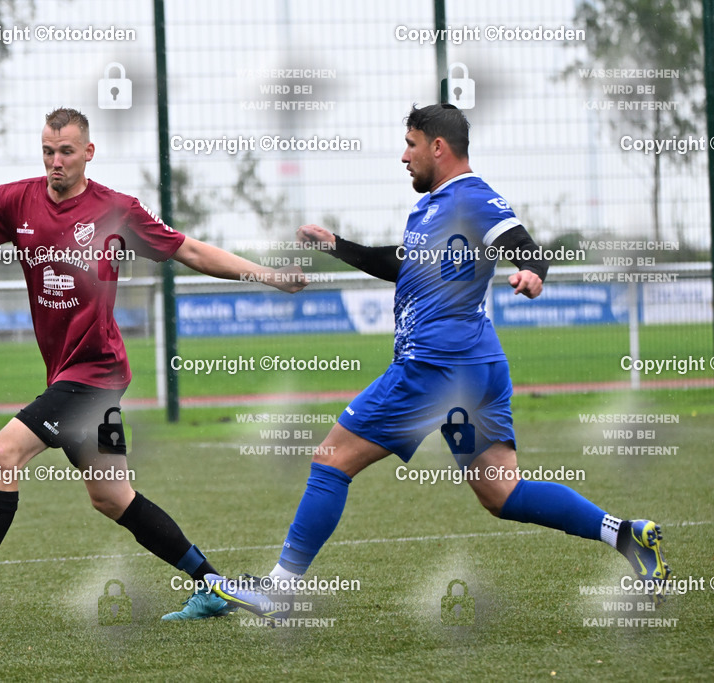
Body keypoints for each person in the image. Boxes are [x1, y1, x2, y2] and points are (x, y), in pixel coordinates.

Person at [208, 103, 670, 619]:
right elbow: (401, 264)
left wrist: (533, 272)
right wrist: (337, 245)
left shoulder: (471, 196)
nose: (403, 156)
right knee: (500, 491)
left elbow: (521, 243)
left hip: (434, 368)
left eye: (410, 144)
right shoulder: (434, 208)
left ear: (437, 147)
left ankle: (278, 589)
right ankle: (627, 535)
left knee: (331, 460)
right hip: (477, 368)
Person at [0, 107, 305, 622]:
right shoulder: (14, 200)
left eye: (66, 151)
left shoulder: (116, 210)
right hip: (76, 377)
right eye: (47, 151)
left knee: (4, 453)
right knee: (112, 497)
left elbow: (193, 252)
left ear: (88, 152)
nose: (55, 162)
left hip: (95, 375)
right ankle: (214, 585)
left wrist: (267, 276)